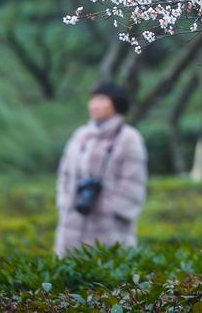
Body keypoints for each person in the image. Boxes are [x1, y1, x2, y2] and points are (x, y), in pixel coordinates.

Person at [54, 81, 148, 256]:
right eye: (93, 99)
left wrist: (116, 209)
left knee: (107, 268)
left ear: (116, 103)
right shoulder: (81, 135)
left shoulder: (129, 137)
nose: (95, 104)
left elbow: (134, 180)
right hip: (73, 220)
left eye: (102, 99)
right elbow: (65, 174)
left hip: (110, 227)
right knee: (69, 267)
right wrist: (65, 202)